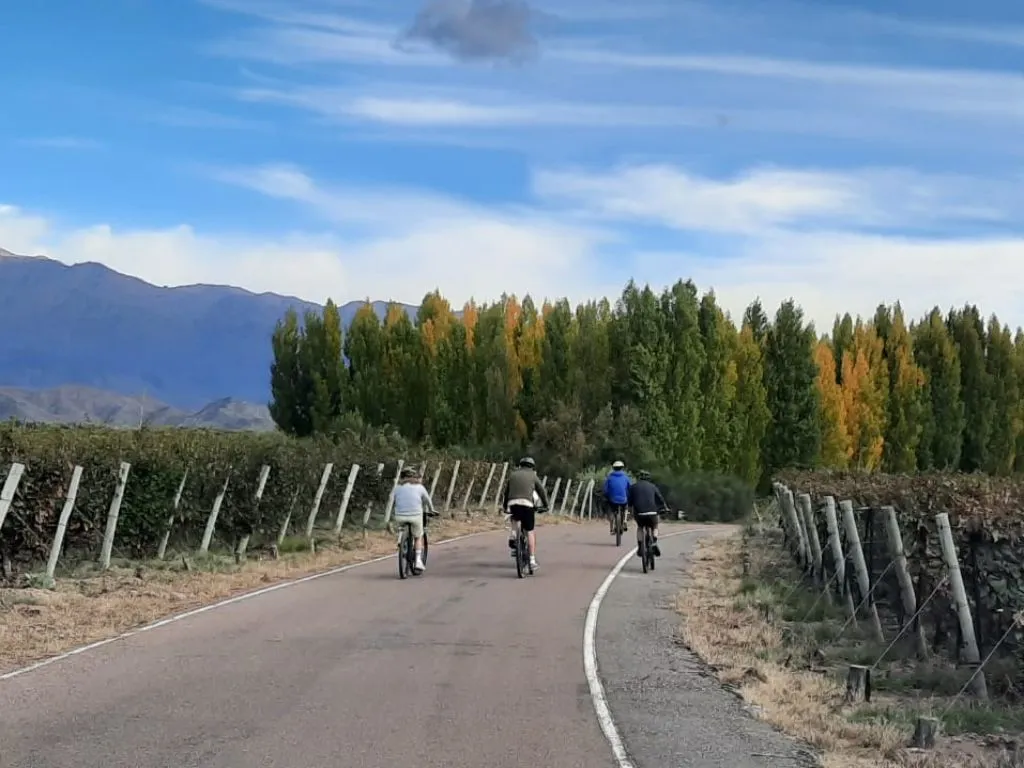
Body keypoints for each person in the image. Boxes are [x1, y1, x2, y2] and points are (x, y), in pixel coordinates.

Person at [501, 456, 549, 571]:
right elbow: (541, 491)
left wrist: (505, 506)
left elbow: (506, 492)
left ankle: (513, 535)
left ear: (520, 465)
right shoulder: (533, 475)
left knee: (514, 518)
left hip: (513, 503)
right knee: (530, 531)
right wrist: (546, 505)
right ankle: (532, 560)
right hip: (527, 504)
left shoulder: (513, 475)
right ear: (532, 467)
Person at [392, 465, 437, 574]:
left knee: (402, 526)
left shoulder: (397, 488)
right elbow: (427, 500)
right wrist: (432, 510)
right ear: (414, 477)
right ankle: (418, 561)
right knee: (418, 536)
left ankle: (401, 540)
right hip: (416, 516)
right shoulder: (419, 487)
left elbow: (392, 498)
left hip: (400, 516)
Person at [628, 469, 666, 558]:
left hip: (640, 513)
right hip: (652, 512)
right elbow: (660, 498)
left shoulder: (633, 487)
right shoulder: (653, 487)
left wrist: (630, 507)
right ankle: (654, 541)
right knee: (655, 526)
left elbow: (629, 501)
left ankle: (640, 546)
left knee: (640, 527)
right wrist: (664, 507)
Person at [603, 460, 632, 536]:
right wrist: (628, 495)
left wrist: (607, 496)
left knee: (611, 510)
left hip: (612, 500)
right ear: (622, 468)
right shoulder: (626, 477)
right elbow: (630, 488)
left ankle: (611, 527)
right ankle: (625, 521)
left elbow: (605, 490)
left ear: (613, 468)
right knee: (626, 507)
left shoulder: (609, 478)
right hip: (623, 499)